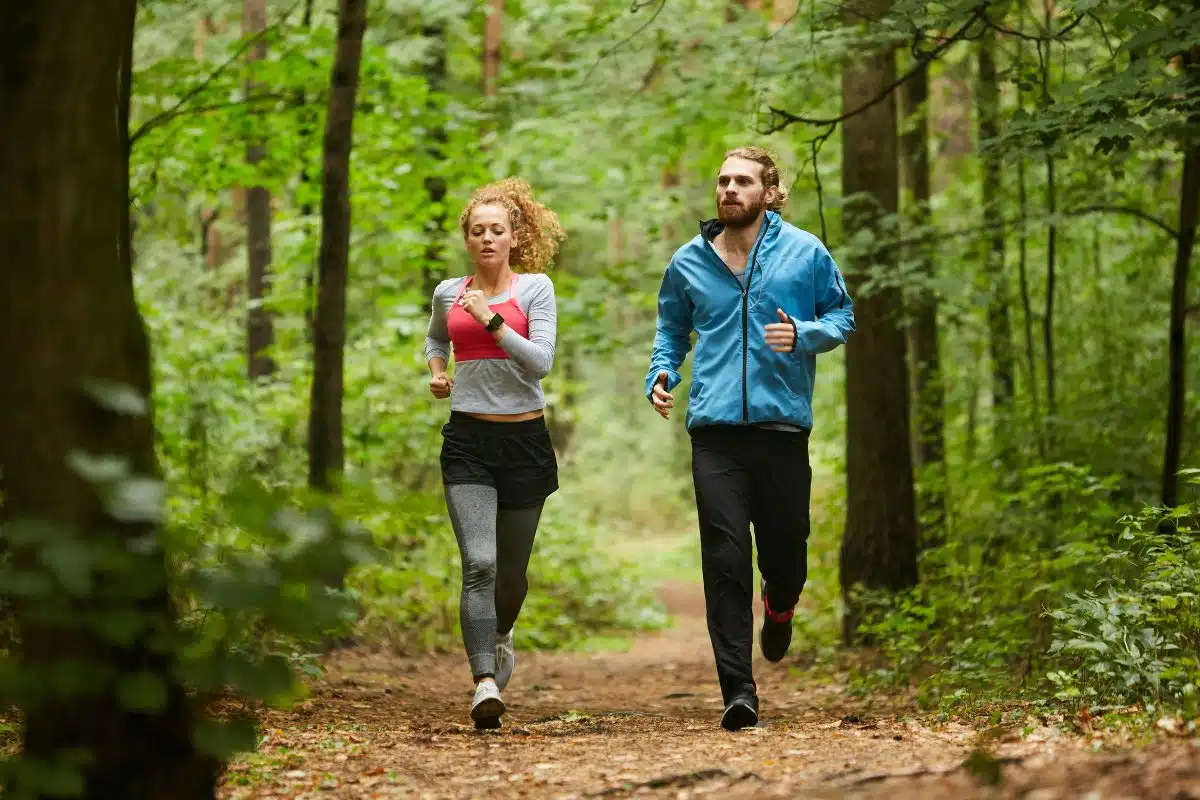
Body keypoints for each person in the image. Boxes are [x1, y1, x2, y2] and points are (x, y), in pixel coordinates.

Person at [645, 146, 855, 731]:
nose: (730, 189)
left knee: (786, 555)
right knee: (726, 560)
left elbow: (842, 316)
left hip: (783, 428)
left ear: (769, 191)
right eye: (722, 181)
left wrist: (806, 333)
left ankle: (781, 605)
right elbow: (671, 330)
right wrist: (661, 373)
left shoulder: (805, 252)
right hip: (715, 435)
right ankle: (738, 689)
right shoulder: (688, 262)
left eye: (743, 181)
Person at [424, 178, 566, 729]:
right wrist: (439, 373)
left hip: (525, 442)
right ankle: (484, 680)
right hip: (468, 443)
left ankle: (502, 635)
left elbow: (541, 363)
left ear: (513, 238)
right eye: (477, 231)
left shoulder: (536, 290)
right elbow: (437, 340)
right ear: (467, 238)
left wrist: (490, 320)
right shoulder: (447, 292)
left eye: (497, 231)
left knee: (510, 577)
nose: (487, 239)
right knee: (478, 565)